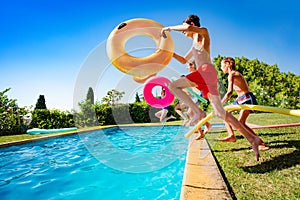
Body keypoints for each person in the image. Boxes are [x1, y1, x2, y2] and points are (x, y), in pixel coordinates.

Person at [161, 14, 263, 160]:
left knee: (173, 86)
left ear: (193, 24)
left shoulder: (203, 33)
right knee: (221, 113)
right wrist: (169, 53)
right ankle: (252, 139)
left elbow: (188, 28)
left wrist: (169, 28)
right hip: (206, 76)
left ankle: (198, 112)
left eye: (184, 26)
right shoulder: (194, 44)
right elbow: (184, 60)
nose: (183, 31)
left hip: (205, 72)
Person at [219, 57, 269, 149]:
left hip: (246, 98)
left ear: (227, 64)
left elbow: (229, 92)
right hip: (241, 99)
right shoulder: (233, 74)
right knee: (226, 115)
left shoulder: (232, 74)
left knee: (240, 122)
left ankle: (260, 144)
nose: (221, 68)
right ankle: (231, 135)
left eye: (222, 66)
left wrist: (220, 103)